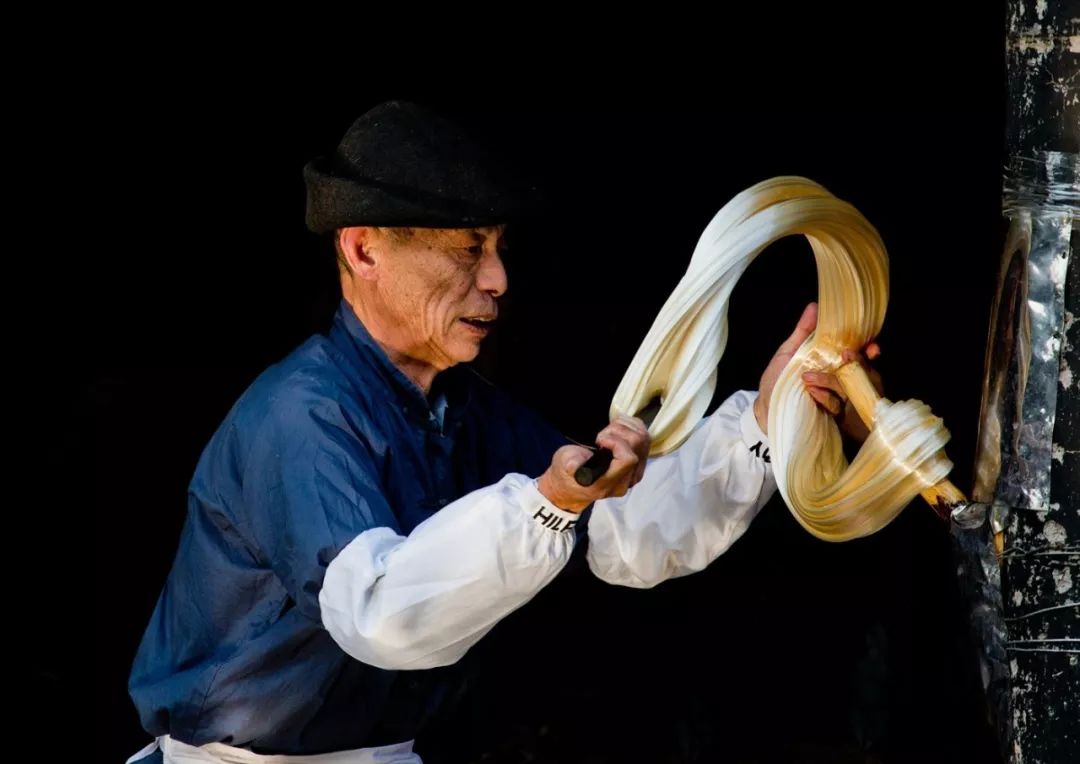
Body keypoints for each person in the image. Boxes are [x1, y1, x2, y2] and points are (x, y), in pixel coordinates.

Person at [126, 100, 869, 763]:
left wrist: (768, 419)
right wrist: (546, 503)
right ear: (363, 249)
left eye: (498, 248)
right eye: (468, 247)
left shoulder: (465, 412)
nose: (498, 280)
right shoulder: (302, 415)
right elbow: (379, 612)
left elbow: (626, 536)